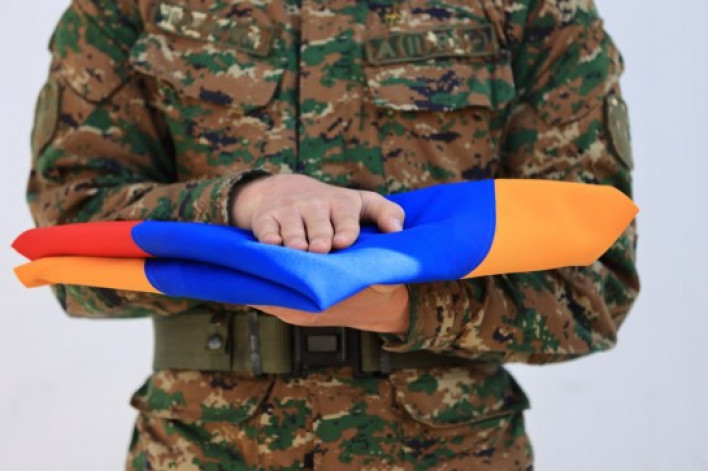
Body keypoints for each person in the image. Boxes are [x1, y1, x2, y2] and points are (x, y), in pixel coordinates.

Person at [27, 0, 639, 469]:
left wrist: (406, 307)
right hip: (202, 450)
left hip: (451, 452)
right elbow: (67, 244)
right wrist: (242, 203)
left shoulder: (532, 8)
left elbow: (591, 285)